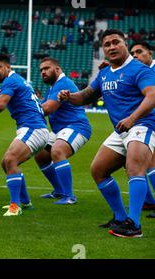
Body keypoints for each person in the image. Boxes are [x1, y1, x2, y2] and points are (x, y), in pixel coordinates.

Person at [58, 29, 155, 238]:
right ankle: (120, 217)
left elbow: (152, 96)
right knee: (98, 170)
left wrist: (132, 119)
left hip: (142, 124)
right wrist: (68, 96)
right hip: (121, 130)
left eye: (115, 42)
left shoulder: (140, 70)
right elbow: (85, 96)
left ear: (125, 44)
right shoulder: (104, 73)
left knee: (134, 167)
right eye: (106, 44)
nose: (111, 47)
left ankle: (134, 225)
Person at [0, 53, 49, 216]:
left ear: (8, 67)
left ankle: (15, 206)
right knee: (5, 163)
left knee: (11, 160)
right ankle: (25, 203)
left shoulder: (11, 81)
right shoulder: (16, 80)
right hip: (33, 128)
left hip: (33, 128)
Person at [35, 57, 92, 204]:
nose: (43, 72)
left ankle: (69, 196)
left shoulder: (63, 83)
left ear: (57, 69)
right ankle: (59, 190)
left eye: (46, 68)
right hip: (60, 129)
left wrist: (26, 110)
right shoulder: (53, 87)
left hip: (76, 126)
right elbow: (42, 105)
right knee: (41, 155)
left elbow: (47, 108)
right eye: (41, 70)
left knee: (57, 151)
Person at [129, 41, 155, 217]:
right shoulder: (139, 72)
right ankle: (148, 202)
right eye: (133, 53)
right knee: (135, 163)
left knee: (149, 162)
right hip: (145, 122)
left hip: (150, 122)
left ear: (150, 54)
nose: (136, 55)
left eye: (139, 52)